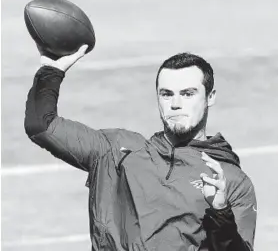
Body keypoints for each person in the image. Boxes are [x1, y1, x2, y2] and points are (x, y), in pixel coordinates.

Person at [24, 44, 257, 251]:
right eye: (166, 94)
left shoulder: (229, 181)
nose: (175, 104)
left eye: (188, 94)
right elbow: (41, 125)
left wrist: (220, 213)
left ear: (210, 97)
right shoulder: (114, 150)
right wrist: (51, 70)